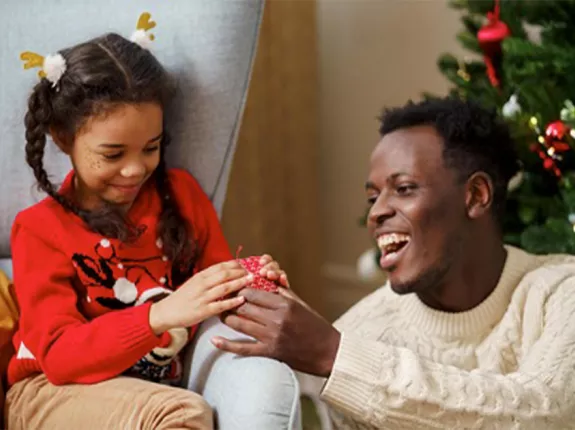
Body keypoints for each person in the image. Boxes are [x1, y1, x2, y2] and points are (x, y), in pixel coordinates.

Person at [214, 97, 575, 429]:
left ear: (476, 195)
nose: (376, 212)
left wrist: (334, 354)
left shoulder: (561, 291)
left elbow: (548, 413)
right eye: (373, 197)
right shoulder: (361, 333)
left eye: (403, 189)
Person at [6, 28, 297, 430]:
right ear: (62, 138)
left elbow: (212, 293)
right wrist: (157, 317)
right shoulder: (40, 228)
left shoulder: (181, 195)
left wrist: (248, 283)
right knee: (181, 414)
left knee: (178, 408)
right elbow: (57, 356)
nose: (135, 169)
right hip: (51, 390)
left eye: (151, 148)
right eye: (112, 153)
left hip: (151, 388)